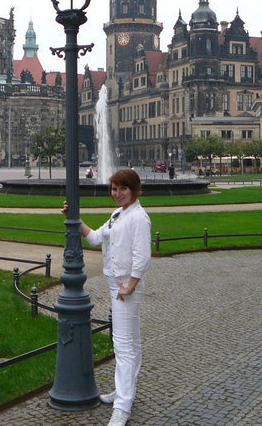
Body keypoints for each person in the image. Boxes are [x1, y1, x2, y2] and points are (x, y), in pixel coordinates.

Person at [66, 169, 151, 426]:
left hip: (125, 288)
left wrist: (130, 286)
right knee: (130, 343)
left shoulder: (139, 217)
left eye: (122, 189)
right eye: (114, 189)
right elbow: (94, 238)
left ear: (134, 190)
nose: (117, 194)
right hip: (119, 286)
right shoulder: (118, 215)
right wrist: (73, 218)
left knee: (123, 346)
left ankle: (122, 406)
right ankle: (125, 391)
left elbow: (142, 256)